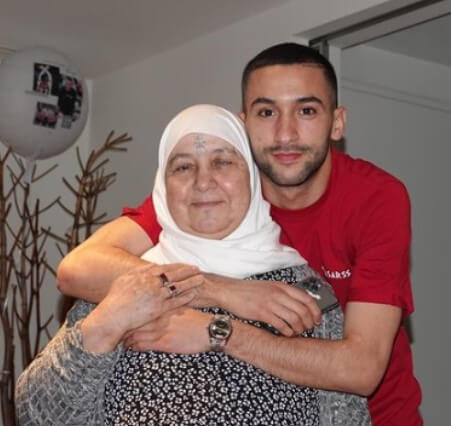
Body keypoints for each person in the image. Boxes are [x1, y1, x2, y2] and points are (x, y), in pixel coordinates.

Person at [56, 43, 422, 425]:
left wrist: (220, 331)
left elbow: (361, 369)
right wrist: (222, 291)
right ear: (243, 123)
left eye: (307, 110)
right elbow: (79, 268)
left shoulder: (376, 198)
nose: (285, 134)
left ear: (337, 122)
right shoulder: (222, 190)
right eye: (267, 112)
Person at [15, 104, 370, 425]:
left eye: (223, 162)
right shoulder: (127, 282)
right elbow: (37, 416)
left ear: (251, 176)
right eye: (183, 167)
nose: (203, 182)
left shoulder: (305, 291)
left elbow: (346, 415)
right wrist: (107, 323)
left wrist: (220, 332)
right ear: (162, 189)